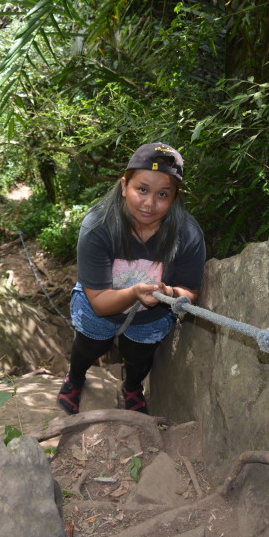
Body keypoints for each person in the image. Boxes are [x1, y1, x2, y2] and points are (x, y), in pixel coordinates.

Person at [57, 142, 206, 416]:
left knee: (139, 355)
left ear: (174, 197)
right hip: (98, 306)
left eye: (163, 194)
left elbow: (190, 291)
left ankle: (133, 386)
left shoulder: (187, 234)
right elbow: (100, 302)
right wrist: (136, 292)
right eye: (142, 190)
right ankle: (75, 377)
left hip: (152, 313)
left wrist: (170, 292)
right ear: (124, 186)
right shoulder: (99, 226)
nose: (150, 203)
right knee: (90, 345)